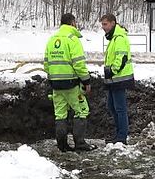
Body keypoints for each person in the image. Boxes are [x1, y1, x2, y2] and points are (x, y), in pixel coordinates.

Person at [44, 13, 94, 151]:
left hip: (55, 84)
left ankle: (62, 145)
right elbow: (78, 63)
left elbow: (47, 64)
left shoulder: (52, 40)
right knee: (81, 111)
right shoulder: (72, 39)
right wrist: (86, 80)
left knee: (60, 114)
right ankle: (80, 143)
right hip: (71, 84)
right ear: (72, 23)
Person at [99, 13, 134, 144]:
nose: (103, 27)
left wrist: (111, 71)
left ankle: (122, 136)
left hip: (119, 79)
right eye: (102, 24)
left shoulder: (119, 38)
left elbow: (121, 58)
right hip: (114, 79)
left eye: (105, 24)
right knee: (112, 106)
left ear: (113, 23)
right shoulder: (114, 38)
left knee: (119, 108)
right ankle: (119, 134)